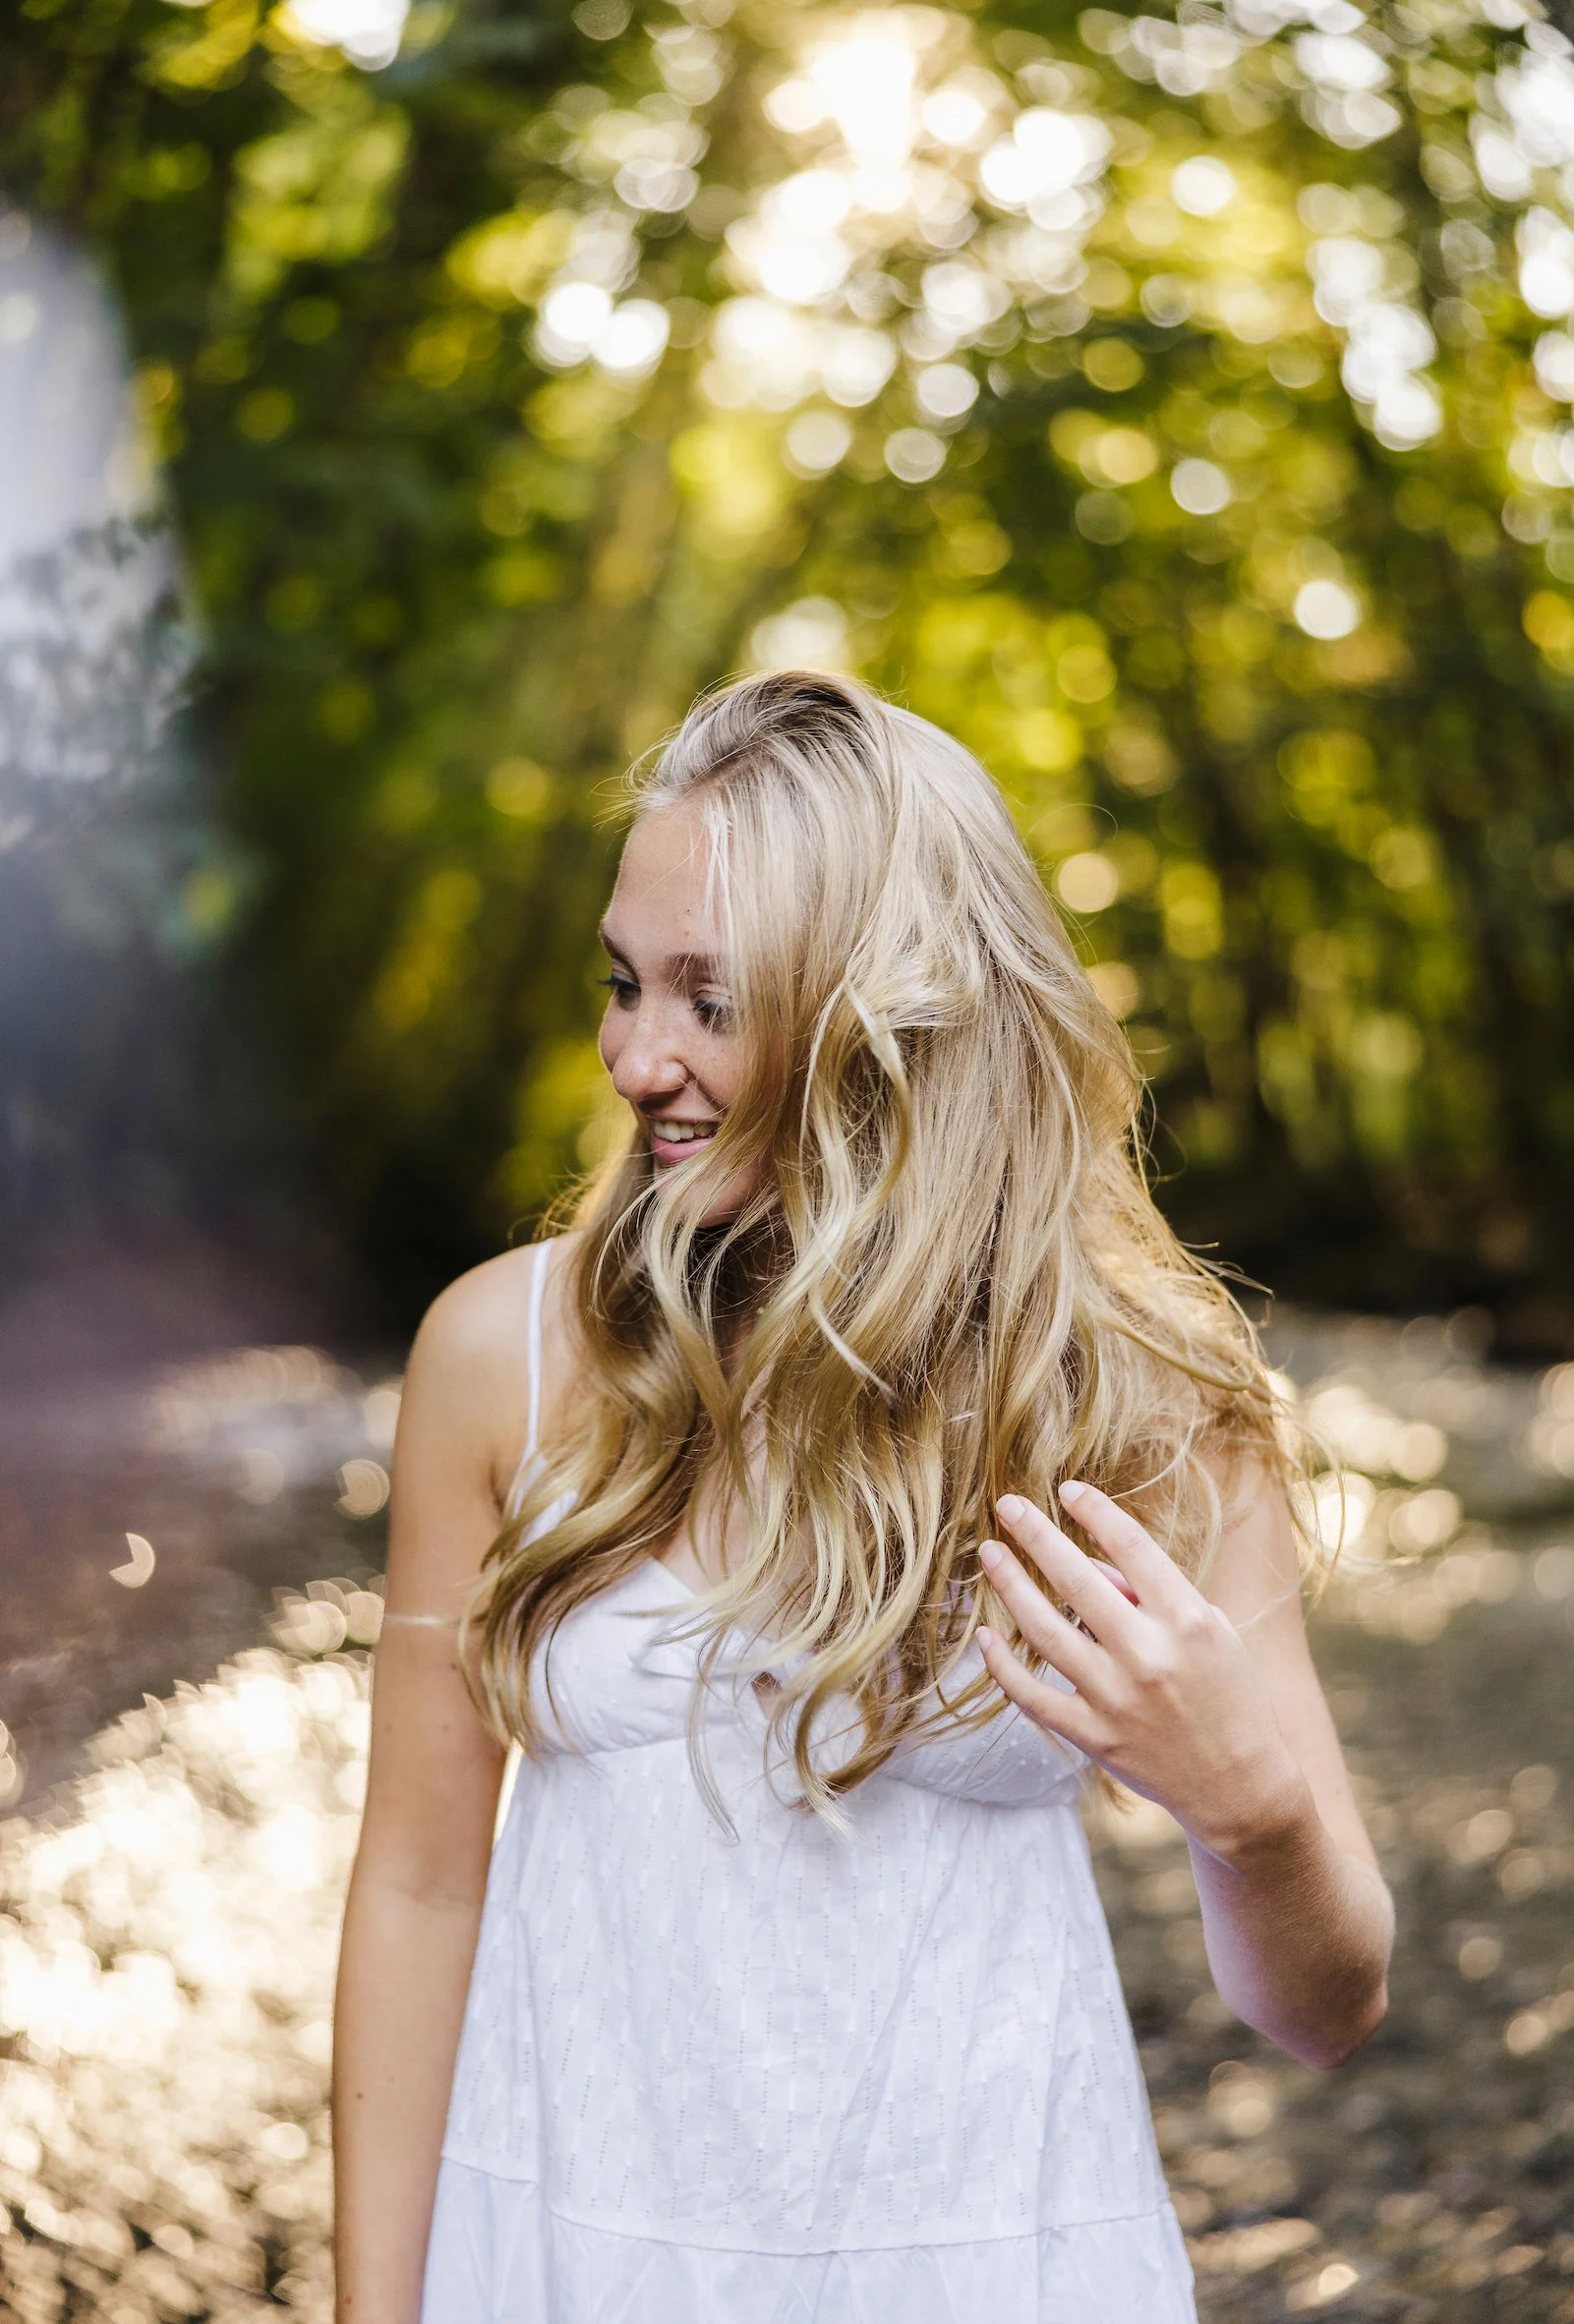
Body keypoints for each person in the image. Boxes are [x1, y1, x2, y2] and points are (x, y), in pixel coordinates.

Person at [332, 671, 1393, 2323]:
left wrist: (1248, 1809)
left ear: (889, 1023)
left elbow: (1325, 2011)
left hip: (1000, 2267)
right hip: (565, 2258)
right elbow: (416, 1882)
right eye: (624, 984)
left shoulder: (1134, 1399)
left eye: (712, 1001)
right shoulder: (503, 1355)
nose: (632, 1057)